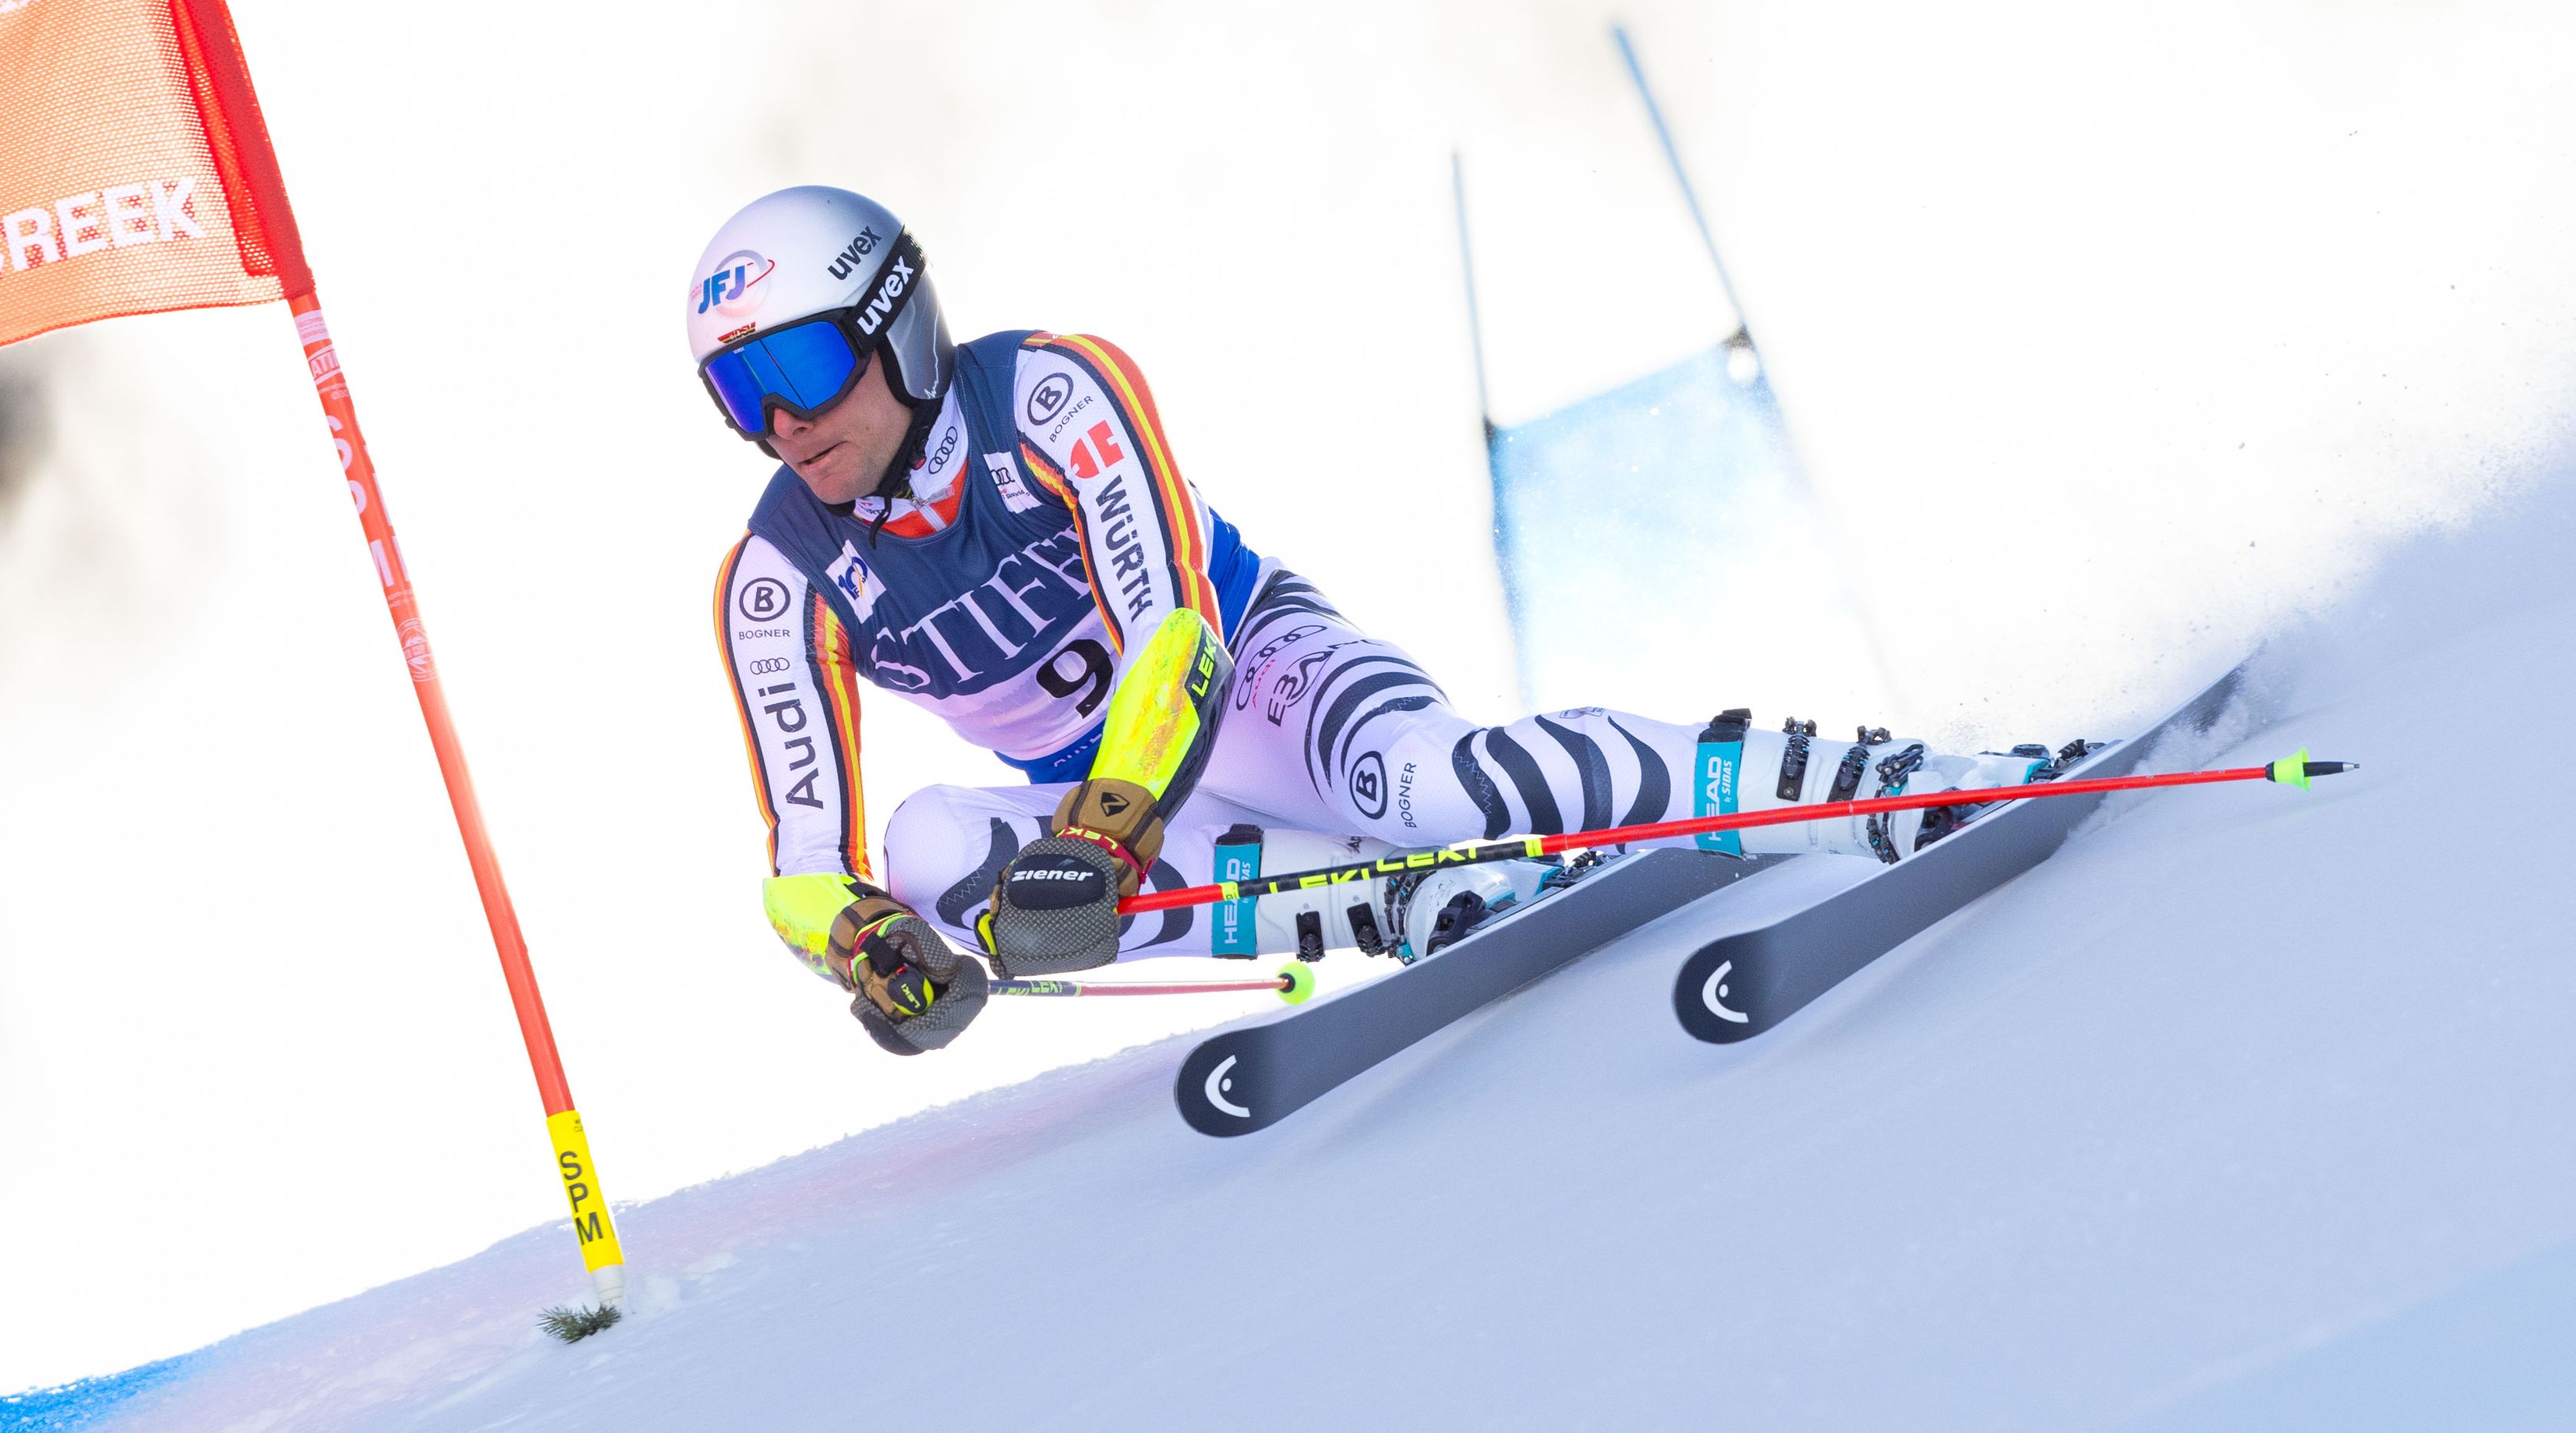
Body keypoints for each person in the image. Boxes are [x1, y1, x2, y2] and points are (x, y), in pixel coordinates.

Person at [700, 186, 2040, 1055]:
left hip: (1249, 676)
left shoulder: (1050, 395)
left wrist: (1105, 832)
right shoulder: (778, 579)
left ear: (898, 328)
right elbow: (803, 866)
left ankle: (1878, 783)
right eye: (741, 395)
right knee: (929, 851)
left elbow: (1175, 636)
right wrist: (870, 948)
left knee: (1425, 785)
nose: (785, 423)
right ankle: (1395, 905)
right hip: (1104, 798)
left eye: (801, 366)